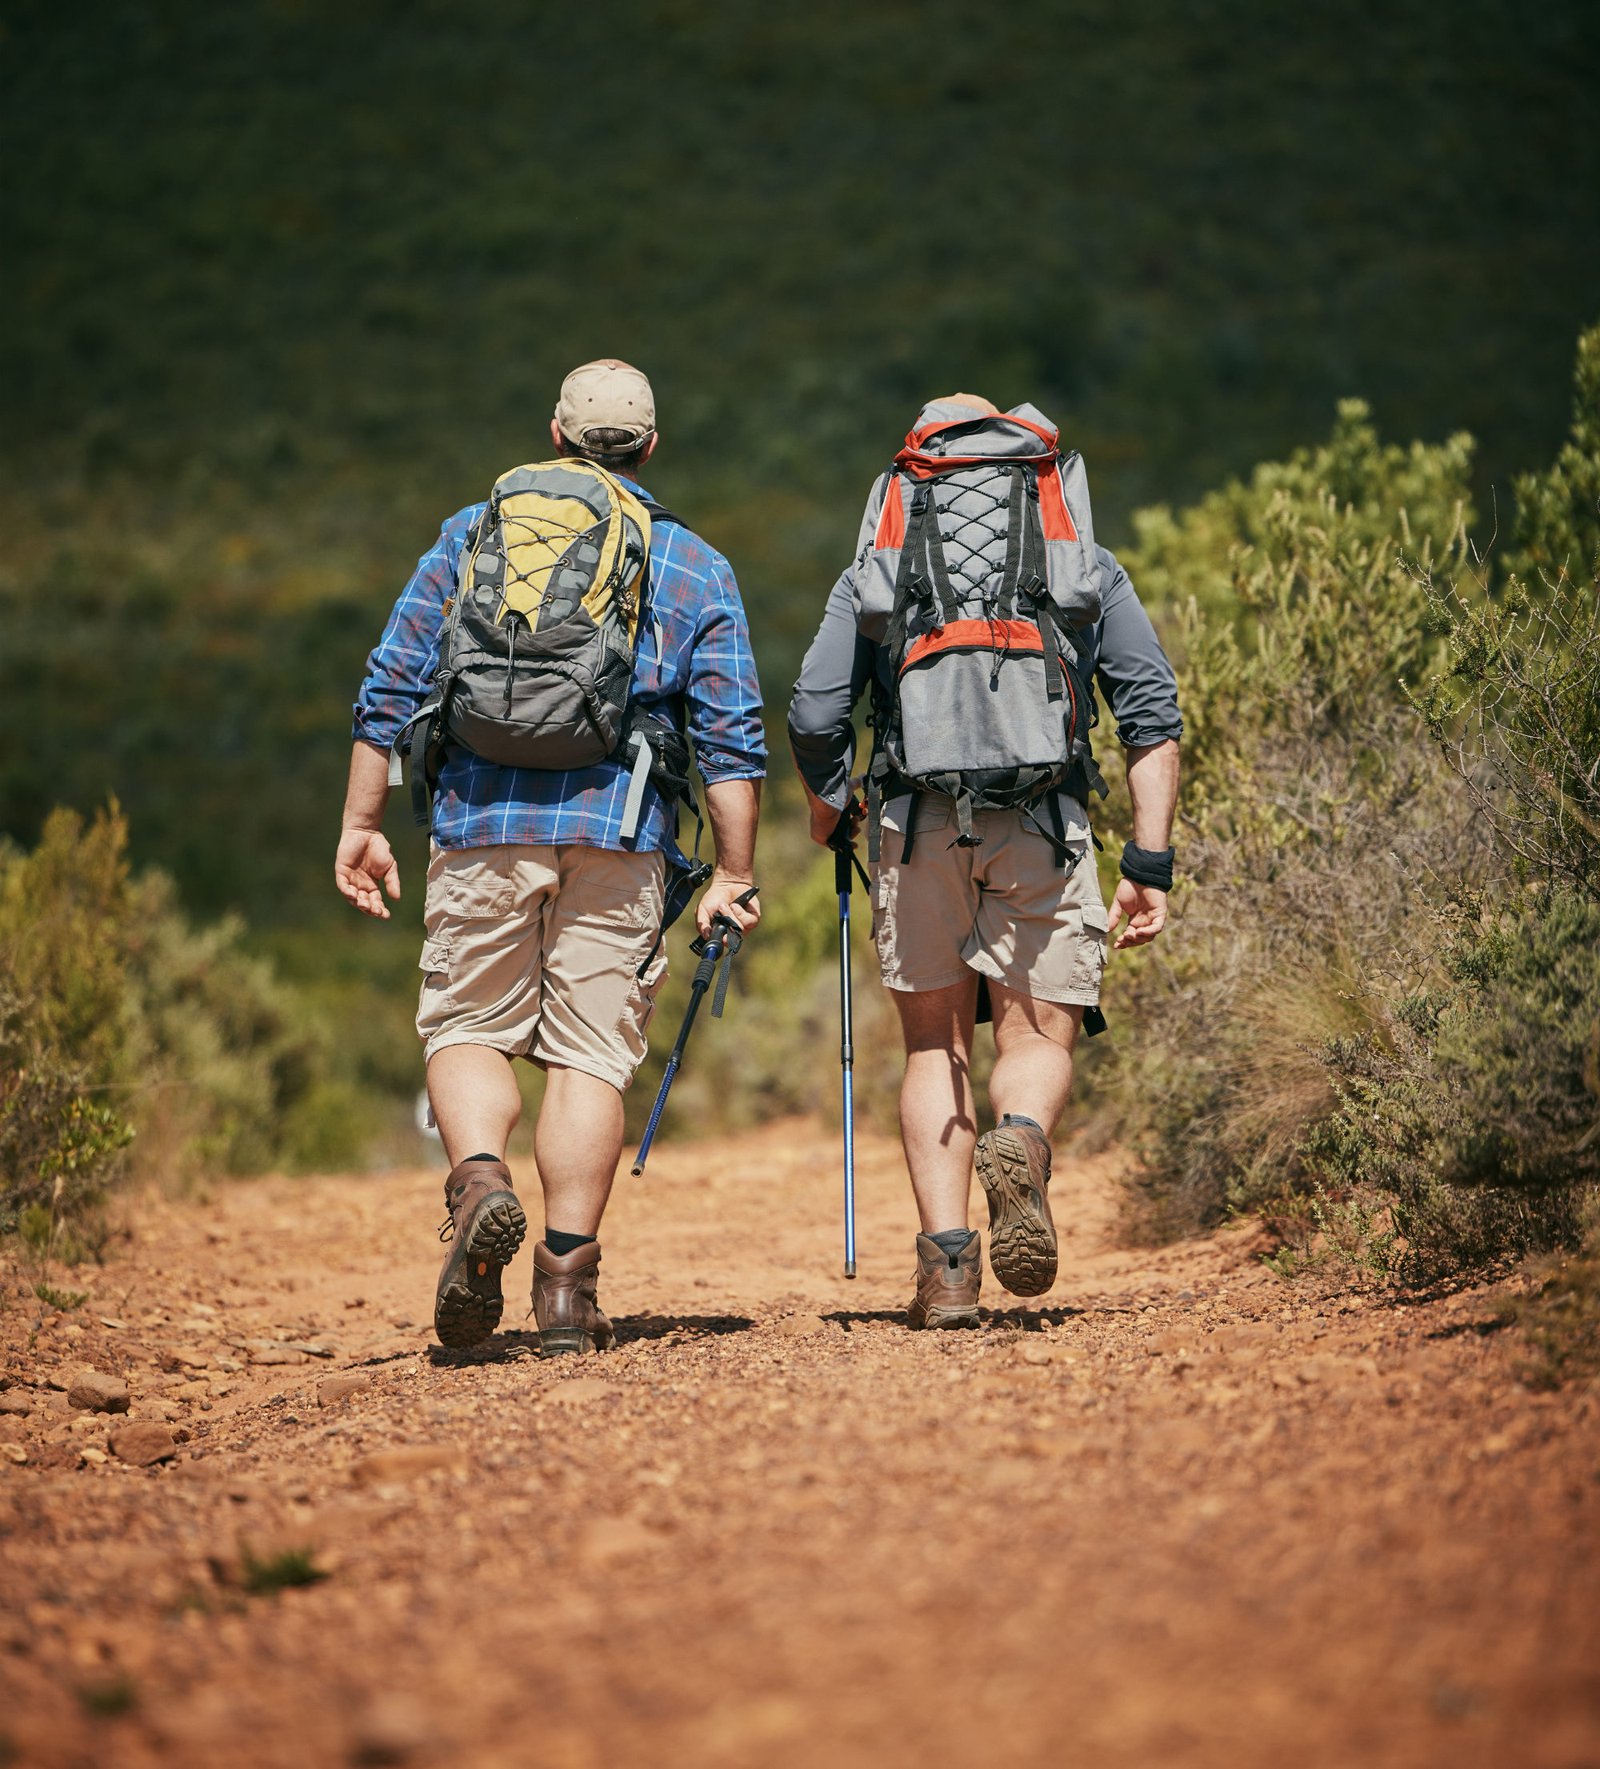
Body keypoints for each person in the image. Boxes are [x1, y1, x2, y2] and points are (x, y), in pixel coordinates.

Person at [337, 359, 765, 1354]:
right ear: (650, 448)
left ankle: (480, 1177)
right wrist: (734, 874)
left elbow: (390, 686)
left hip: (479, 818)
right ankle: (567, 1292)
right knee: (588, 1053)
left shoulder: (468, 534)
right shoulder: (694, 563)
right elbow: (734, 740)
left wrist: (361, 822)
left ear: (556, 434)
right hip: (620, 833)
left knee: (469, 1022)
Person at [788, 393, 1181, 1327]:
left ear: (919, 468)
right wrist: (1149, 861)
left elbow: (812, 712)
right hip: (1043, 821)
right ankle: (1021, 1139)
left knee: (934, 1044)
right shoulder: (1077, 552)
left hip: (914, 826)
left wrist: (830, 802)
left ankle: (949, 1270)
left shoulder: (881, 560)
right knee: (1036, 1036)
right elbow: (1152, 715)